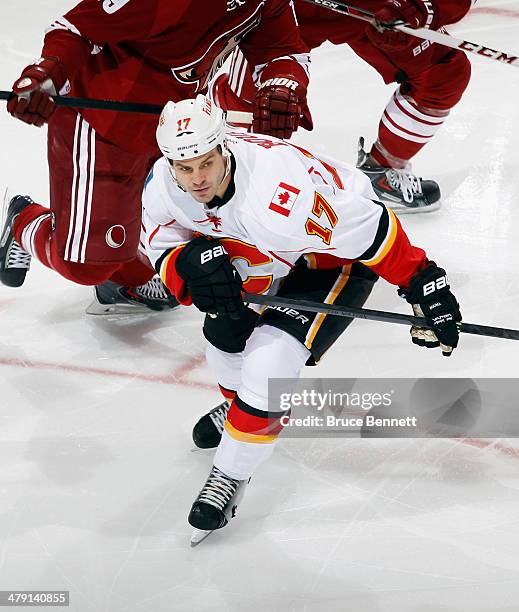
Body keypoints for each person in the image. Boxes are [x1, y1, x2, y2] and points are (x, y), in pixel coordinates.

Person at [141, 94, 462, 542]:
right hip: (265, 253)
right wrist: (182, 265)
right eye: (185, 167)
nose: (196, 179)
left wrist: (422, 280)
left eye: (206, 163)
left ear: (224, 148)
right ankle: (243, 412)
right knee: (222, 333)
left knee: (269, 364)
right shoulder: (163, 183)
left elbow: (371, 230)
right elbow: (161, 236)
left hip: (329, 262)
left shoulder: (276, 198)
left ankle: (230, 475)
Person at [0, 0, 311, 313]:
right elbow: (75, 28)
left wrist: (282, 85)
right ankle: (23, 221)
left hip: (174, 129)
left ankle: (124, 280)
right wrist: (47, 75)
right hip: (101, 120)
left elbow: (282, 47)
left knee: (167, 237)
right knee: (85, 266)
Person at [209, 0, 475, 213]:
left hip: (379, 8)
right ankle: (223, 188)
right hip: (290, 8)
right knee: (264, 103)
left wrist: (423, 8)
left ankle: (382, 170)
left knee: (444, 73)